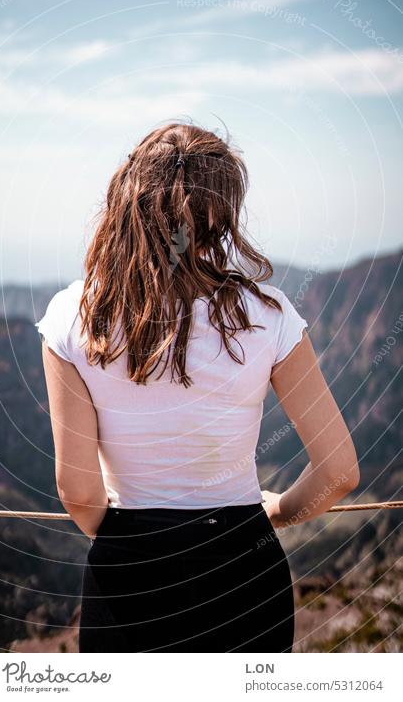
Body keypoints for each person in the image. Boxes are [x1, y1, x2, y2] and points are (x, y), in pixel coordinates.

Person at [36, 121, 360, 653]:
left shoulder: (74, 315)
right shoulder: (270, 316)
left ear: (126, 202)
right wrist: (274, 513)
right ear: (223, 213)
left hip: (128, 583)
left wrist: (136, 544)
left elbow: (78, 492)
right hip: (246, 578)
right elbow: (340, 472)